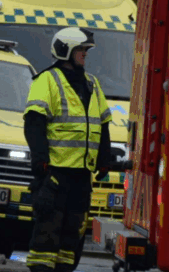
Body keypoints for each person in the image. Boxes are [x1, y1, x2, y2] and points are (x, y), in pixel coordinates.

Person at [23, 27, 112, 272]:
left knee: (72, 237)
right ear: (66, 50)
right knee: (48, 233)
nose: (85, 54)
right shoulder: (47, 80)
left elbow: (103, 123)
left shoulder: (92, 83)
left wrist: (104, 159)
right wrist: (40, 160)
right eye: (81, 49)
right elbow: (34, 123)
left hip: (81, 176)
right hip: (55, 173)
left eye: (86, 50)